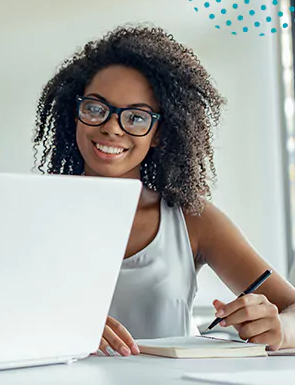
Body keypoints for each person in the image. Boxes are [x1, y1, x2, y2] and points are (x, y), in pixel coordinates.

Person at [33, 26, 295, 354]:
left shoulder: (193, 220)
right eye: (96, 109)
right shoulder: (32, 210)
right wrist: (51, 321)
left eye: (137, 118)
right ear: (76, 114)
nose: (111, 127)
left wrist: (280, 329)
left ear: (159, 133)